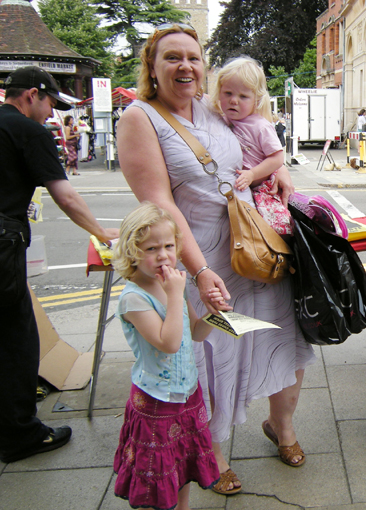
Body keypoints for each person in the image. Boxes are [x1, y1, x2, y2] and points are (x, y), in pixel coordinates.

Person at [115, 24, 316, 495]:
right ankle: (215, 451)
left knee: (281, 338)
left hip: (255, 249)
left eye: (193, 57)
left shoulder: (210, 108)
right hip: (202, 257)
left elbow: (254, 140)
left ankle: (281, 428)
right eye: (172, 58)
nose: (185, 65)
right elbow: (160, 204)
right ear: (152, 67)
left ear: (203, 66)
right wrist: (200, 271)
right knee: (213, 353)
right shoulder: (140, 118)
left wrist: (280, 167)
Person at [0, 66, 118, 464]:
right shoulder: (28, 131)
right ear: (32, 94)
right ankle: (20, 435)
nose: (52, 113)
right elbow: (65, 197)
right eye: (50, 102)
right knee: (16, 338)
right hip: (2, 241)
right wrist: (102, 233)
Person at [112, 203, 224, 508]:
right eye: (151, 248)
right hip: (157, 400)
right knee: (158, 472)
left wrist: (215, 315)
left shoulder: (172, 286)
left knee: (181, 467)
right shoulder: (135, 298)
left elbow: (194, 333)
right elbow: (169, 342)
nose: (163, 255)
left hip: (187, 394)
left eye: (169, 246)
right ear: (132, 252)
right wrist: (175, 294)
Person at [212, 56, 292, 235]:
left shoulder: (260, 126)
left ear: (256, 100)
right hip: (240, 190)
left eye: (243, 96)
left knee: (271, 233)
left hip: (262, 188)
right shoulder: (220, 120)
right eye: (228, 93)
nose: (234, 101)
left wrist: (252, 174)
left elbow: (277, 157)